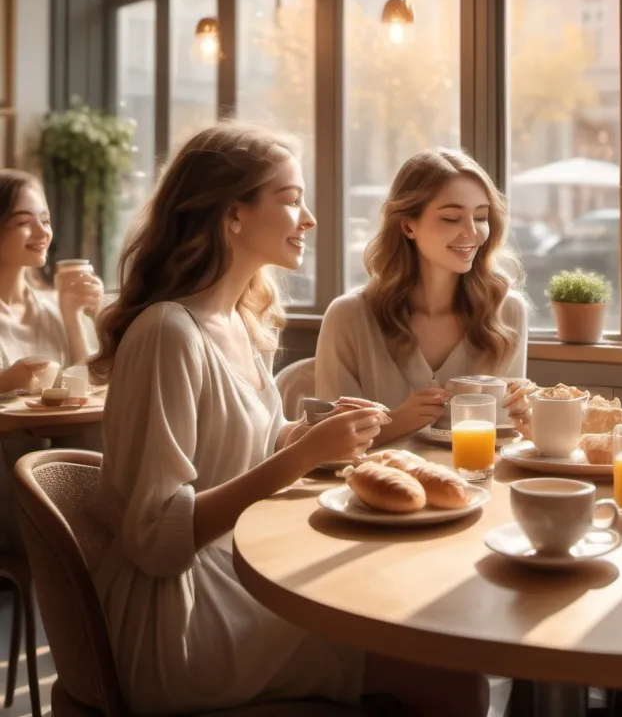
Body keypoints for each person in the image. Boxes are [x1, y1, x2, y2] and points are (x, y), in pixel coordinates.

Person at [90, 124, 486, 716]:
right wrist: (300, 456)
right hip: (182, 618)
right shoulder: (168, 333)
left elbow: (247, 447)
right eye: (291, 199)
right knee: (451, 676)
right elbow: (154, 540)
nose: (310, 219)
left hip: (241, 573)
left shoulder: (241, 324)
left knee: (433, 627)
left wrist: (310, 436)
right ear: (233, 216)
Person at [316, 148, 528, 445]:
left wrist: (525, 412)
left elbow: (503, 435)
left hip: (476, 485)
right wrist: (399, 421)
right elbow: (329, 445)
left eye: (481, 217)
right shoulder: (349, 316)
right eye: (452, 218)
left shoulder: (507, 312)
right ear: (407, 225)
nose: (472, 232)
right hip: (370, 487)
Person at [0, 169, 104, 550]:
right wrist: (6, 381)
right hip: (9, 476)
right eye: (25, 222)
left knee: (101, 437)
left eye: (45, 220)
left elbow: (86, 388)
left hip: (51, 462)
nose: (44, 232)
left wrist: (74, 315)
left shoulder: (48, 308)